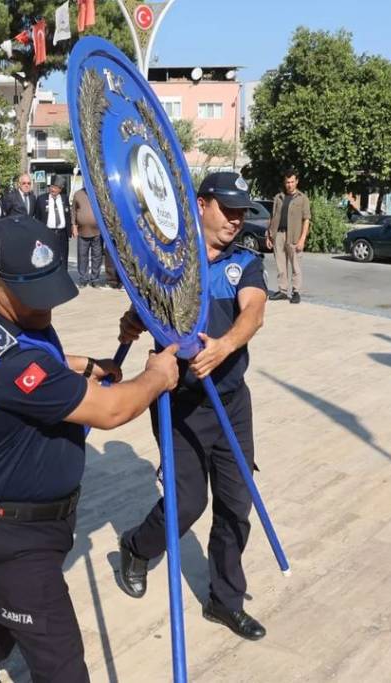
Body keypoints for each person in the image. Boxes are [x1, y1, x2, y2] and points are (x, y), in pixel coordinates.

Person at [0, 216, 180, 682]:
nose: (46, 308)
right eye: (35, 297)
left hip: (33, 523)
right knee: (62, 663)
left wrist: (82, 364)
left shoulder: (12, 325)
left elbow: (44, 358)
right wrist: (156, 376)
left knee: (20, 606)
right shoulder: (8, 361)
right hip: (10, 533)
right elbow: (112, 412)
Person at [116, 171, 269, 642]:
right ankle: (137, 547)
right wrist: (134, 320)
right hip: (179, 404)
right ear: (201, 205)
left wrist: (223, 346)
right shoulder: (169, 262)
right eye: (228, 209)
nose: (237, 220)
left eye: (243, 211)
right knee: (186, 505)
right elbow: (148, 308)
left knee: (235, 505)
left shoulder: (244, 261)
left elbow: (254, 311)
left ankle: (225, 601)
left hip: (230, 401)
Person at [266, 168, 311, 304]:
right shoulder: (278, 198)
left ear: (297, 181)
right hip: (278, 234)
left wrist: (302, 239)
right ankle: (282, 291)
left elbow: (307, 219)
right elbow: (272, 217)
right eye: (287, 182)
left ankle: (296, 291)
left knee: (296, 265)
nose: (289, 185)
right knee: (280, 265)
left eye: (292, 182)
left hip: (294, 236)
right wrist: (269, 235)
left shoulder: (302, 199)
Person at [35, 175, 71, 271]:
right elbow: (37, 218)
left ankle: (63, 278)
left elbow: (68, 215)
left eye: (56, 187)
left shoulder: (64, 198)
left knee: (63, 258)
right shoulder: (41, 199)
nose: (53, 189)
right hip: (47, 233)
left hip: (62, 234)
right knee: (48, 258)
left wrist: (70, 231)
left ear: (61, 189)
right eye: (52, 186)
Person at [72, 187, 103, 288]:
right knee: (82, 256)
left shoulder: (98, 192)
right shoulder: (78, 194)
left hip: (98, 231)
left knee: (97, 256)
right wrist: (74, 226)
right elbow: (73, 211)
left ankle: (95, 279)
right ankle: (83, 279)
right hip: (82, 231)